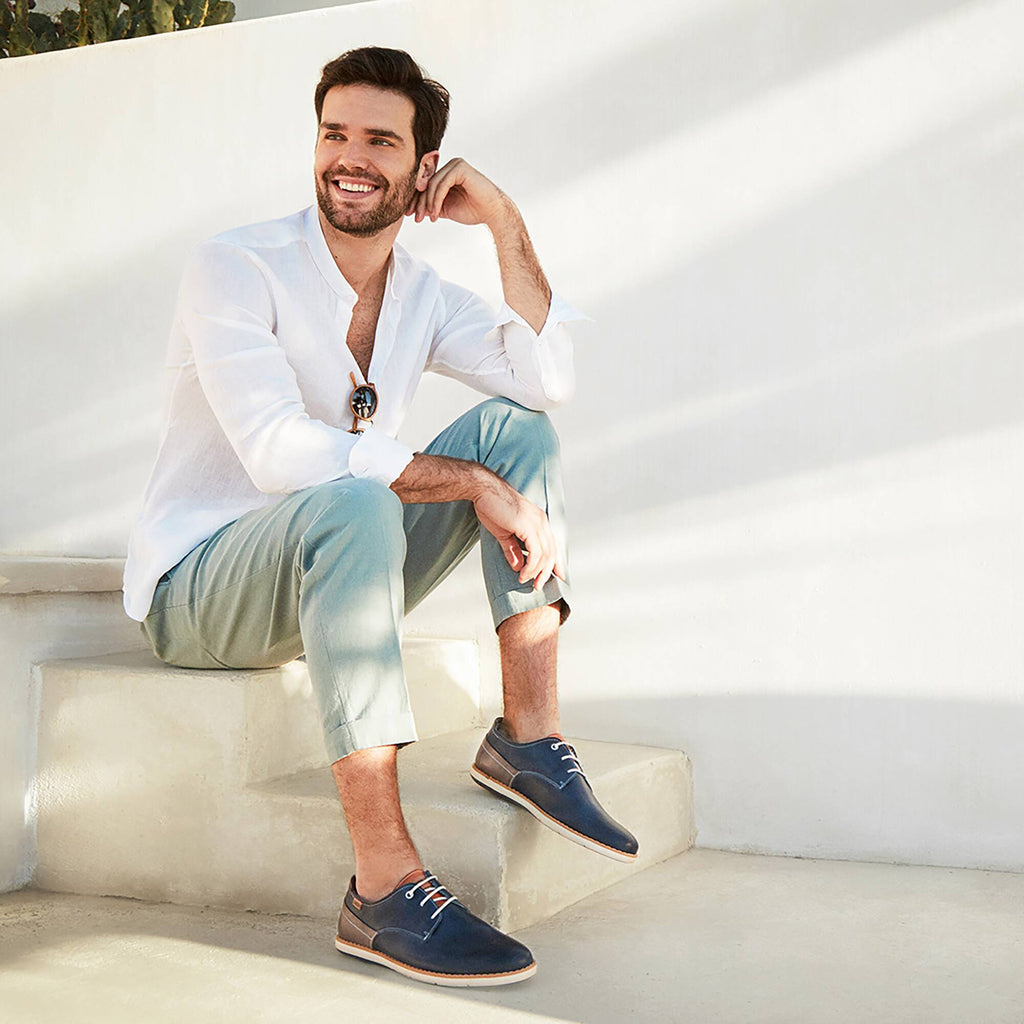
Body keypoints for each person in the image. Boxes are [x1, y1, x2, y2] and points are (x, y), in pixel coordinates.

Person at [122, 46, 637, 987]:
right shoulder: (235, 266)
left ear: (424, 169)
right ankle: (385, 889)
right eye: (334, 135)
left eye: (380, 141)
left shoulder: (420, 295)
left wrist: (504, 221)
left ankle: (528, 738)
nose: (349, 159)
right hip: (202, 593)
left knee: (515, 431)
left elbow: (545, 380)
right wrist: (474, 486)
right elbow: (278, 452)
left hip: (337, 566)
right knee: (363, 493)